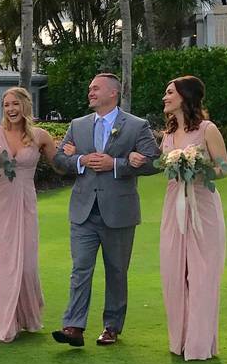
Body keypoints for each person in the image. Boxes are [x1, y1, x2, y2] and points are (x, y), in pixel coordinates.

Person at [52, 73, 160, 348]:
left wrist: (117, 164)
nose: (90, 92)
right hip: (83, 211)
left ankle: (112, 326)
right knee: (80, 270)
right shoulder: (77, 126)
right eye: (89, 88)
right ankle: (73, 326)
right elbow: (60, 159)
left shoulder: (136, 126)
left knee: (116, 271)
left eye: (96, 88)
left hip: (119, 211)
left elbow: (154, 162)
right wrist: (81, 160)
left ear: (113, 93)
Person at [154, 76, 227, 360]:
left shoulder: (208, 130)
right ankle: (180, 340)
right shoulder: (168, 135)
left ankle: (199, 345)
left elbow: (224, 168)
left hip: (203, 207)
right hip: (174, 207)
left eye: (169, 92)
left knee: (202, 276)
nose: (165, 97)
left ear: (185, 97)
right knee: (174, 274)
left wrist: (198, 167)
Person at [0, 87, 57, 342]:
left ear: (25, 106)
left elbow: (60, 166)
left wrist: (74, 156)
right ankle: (5, 323)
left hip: (25, 204)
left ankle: (27, 316)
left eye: (15, 104)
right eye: (6, 105)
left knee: (26, 266)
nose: (11, 109)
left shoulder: (40, 136)